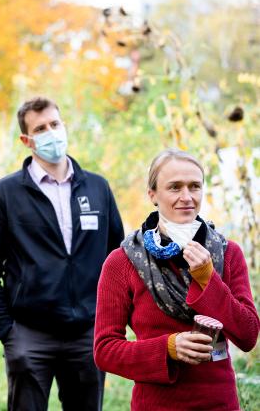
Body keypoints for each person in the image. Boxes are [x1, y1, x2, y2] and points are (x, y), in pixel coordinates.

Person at [0, 96, 124, 411]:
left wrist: (111, 321)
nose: (51, 132)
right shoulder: (6, 193)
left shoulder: (97, 188)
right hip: (29, 334)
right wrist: (6, 332)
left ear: (64, 125)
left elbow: (118, 260)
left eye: (55, 124)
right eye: (40, 128)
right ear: (26, 140)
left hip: (88, 331)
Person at [94, 149, 259, 410]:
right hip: (156, 404)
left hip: (219, 402)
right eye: (174, 187)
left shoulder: (227, 253)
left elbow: (248, 335)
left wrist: (208, 279)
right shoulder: (123, 261)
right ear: (153, 195)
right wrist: (168, 348)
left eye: (195, 186)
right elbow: (104, 351)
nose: (187, 197)